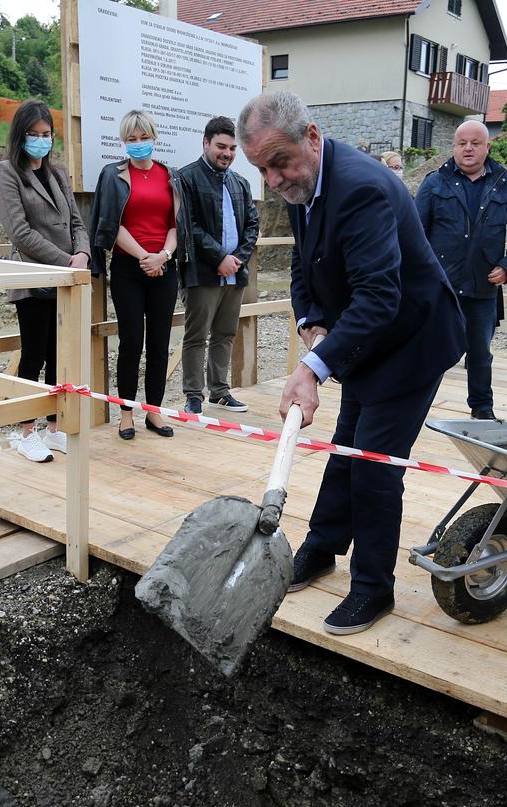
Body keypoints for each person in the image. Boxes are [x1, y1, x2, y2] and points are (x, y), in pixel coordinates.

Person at [237, 91, 465, 635]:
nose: (274, 180)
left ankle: (372, 589)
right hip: (365, 339)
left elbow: (380, 298)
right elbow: (303, 265)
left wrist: (313, 367)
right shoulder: (304, 182)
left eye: (279, 162)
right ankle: (322, 548)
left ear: (311, 138)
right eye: (262, 169)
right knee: (346, 449)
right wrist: (310, 324)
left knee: (374, 468)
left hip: (411, 342)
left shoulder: (362, 188)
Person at [0, 99, 91, 463]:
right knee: (32, 357)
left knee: (58, 357)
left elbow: (77, 224)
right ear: (21, 135)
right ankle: (26, 433)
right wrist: (66, 261)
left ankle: (53, 428)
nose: (41, 140)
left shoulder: (58, 173)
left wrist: (82, 255)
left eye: (46, 134)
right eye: (33, 134)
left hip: (65, 280)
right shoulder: (7, 172)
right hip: (34, 279)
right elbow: (20, 231)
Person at [415, 120, 507, 421]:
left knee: (480, 355)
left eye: (475, 143)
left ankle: (482, 410)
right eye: (461, 143)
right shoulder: (434, 183)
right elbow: (413, 233)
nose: (467, 148)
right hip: (442, 290)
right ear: (454, 146)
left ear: (487, 146)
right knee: (430, 352)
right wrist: (426, 275)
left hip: (483, 290)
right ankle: (413, 407)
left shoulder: (506, 184)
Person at [89, 109, 193, 440]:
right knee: (132, 342)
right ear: (123, 142)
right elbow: (110, 224)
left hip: (164, 266)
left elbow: (177, 224)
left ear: (154, 137)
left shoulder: (170, 176)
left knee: (160, 343)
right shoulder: (113, 175)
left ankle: (154, 412)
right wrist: (144, 256)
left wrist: (162, 255)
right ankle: (125, 413)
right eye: (131, 139)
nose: (138, 144)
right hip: (128, 267)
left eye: (144, 137)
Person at [178, 116, 260, 415]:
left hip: (235, 274)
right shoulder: (186, 178)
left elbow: (252, 224)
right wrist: (219, 258)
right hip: (202, 274)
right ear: (205, 143)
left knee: (225, 334)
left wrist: (237, 258)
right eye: (221, 146)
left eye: (232, 148)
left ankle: (219, 391)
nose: (227, 153)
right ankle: (193, 394)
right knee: (196, 336)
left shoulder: (240, 182)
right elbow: (189, 225)